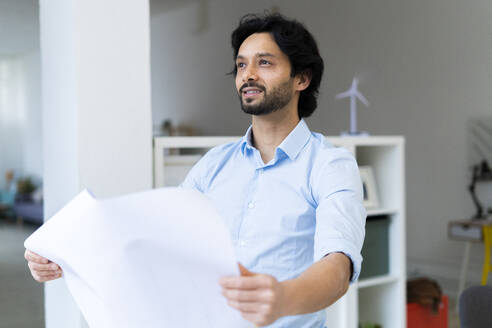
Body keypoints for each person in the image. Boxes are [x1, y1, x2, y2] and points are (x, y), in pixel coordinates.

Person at [25, 13, 366, 328]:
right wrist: (68, 255)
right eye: (241, 65)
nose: (247, 74)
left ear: (301, 79)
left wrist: (282, 299)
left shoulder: (330, 165)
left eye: (264, 63)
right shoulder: (214, 164)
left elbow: (338, 265)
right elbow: (159, 239)